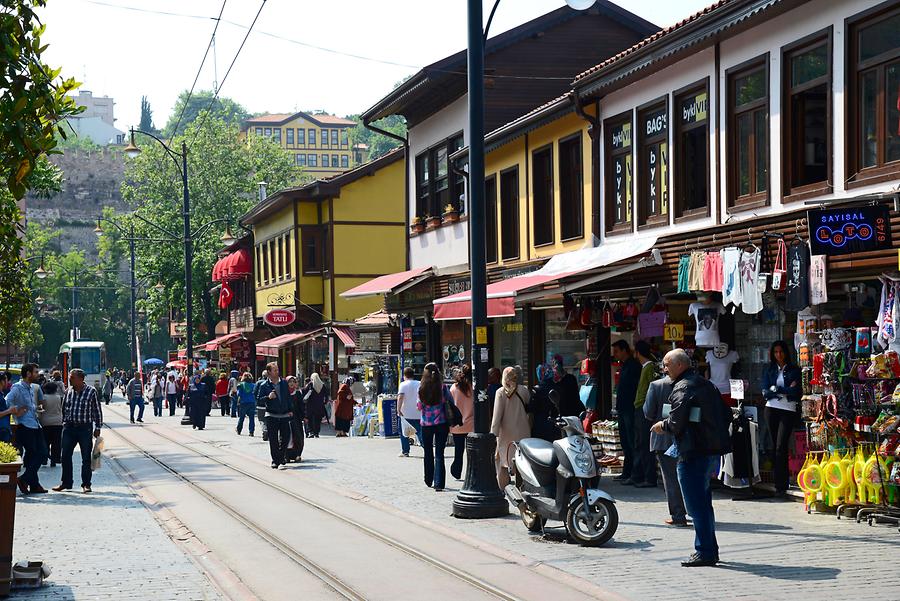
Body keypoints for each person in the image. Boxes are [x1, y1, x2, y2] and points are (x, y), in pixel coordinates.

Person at [651, 349, 731, 567]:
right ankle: (709, 549)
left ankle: (705, 551)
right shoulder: (706, 384)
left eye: (667, 365)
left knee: (695, 506)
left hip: (693, 452)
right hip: (707, 452)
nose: (664, 369)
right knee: (703, 504)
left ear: (679, 365)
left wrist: (662, 425)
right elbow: (726, 414)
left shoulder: (683, 387)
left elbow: (676, 422)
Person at [643, 374, 688, 527]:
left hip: (663, 437)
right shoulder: (691, 383)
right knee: (691, 476)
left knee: (670, 478)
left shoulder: (656, 386)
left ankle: (678, 515)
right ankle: (694, 511)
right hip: (688, 437)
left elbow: (648, 413)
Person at [52, 368, 103, 494]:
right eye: (70, 377)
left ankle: (86, 484)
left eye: (72, 377)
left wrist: (98, 427)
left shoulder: (91, 391)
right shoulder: (68, 391)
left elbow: (97, 410)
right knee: (65, 456)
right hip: (69, 428)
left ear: (81, 379)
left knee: (86, 457)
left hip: (84, 428)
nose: (69, 379)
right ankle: (66, 483)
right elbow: (64, 408)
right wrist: (64, 422)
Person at [762, 340, 802, 496]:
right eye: (776, 352)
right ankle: (777, 482)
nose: (779, 355)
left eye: (781, 351)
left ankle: (782, 484)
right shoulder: (769, 369)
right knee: (774, 446)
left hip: (787, 410)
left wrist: (776, 389)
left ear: (786, 352)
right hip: (771, 409)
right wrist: (784, 390)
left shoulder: (794, 370)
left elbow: (796, 391)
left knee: (781, 446)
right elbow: (765, 392)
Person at [8, 363, 48, 494]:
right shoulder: (17, 387)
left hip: (35, 423)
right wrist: (16, 412)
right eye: (35, 372)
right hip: (25, 426)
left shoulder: (31, 387)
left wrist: (35, 409)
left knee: (36, 454)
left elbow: (29, 405)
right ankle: (25, 480)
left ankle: (32, 483)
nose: (37, 374)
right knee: (38, 453)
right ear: (28, 373)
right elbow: (7, 401)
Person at [491, 366, 532, 488]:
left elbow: (497, 416)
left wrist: (494, 433)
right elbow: (529, 411)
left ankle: (503, 489)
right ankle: (521, 488)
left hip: (506, 434)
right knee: (521, 462)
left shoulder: (500, 392)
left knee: (502, 461)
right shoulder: (524, 390)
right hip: (523, 432)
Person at [418, 362, 451, 492]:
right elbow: (450, 402)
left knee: (427, 452)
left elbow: (419, 406)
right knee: (439, 453)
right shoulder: (442, 388)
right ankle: (439, 483)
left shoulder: (421, 388)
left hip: (426, 424)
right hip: (441, 423)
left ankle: (428, 478)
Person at [612, 340, 641, 484]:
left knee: (631, 441)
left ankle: (635, 474)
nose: (614, 354)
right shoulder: (624, 366)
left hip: (630, 408)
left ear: (624, 350)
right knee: (624, 441)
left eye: (617, 351)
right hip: (622, 408)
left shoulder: (634, 366)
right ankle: (627, 472)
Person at [631, 340, 658, 488]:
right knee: (640, 443)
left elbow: (651, 390)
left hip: (644, 408)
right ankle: (640, 476)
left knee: (645, 443)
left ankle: (649, 477)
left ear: (638, 352)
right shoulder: (645, 367)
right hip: (640, 407)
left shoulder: (649, 368)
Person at [256, 363, 292, 468]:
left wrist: (290, 409)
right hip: (271, 415)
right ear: (269, 372)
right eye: (275, 370)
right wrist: (268, 397)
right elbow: (258, 400)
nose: (277, 372)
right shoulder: (264, 385)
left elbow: (288, 397)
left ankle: (280, 456)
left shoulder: (284, 383)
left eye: (277, 370)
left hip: (284, 414)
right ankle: (275, 460)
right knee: (273, 439)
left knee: (285, 437)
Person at [449, 365, 474, 480]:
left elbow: (450, 406)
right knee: (472, 452)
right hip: (471, 425)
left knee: (458, 451)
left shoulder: (453, 388)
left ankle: (457, 471)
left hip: (457, 425)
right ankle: (472, 472)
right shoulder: (473, 388)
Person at [397, 367, 422, 457]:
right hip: (418, 412)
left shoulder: (403, 384)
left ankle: (405, 450)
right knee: (420, 431)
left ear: (404, 376)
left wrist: (398, 409)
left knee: (404, 432)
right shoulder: (419, 383)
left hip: (406, 413)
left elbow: (400, 397)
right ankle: (426, 448)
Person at [38, 380, 64, 468]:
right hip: (58, 422)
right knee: (56, 442)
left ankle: (44, 459)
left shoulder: (43, 398)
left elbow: (40, 409)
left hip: (45, 422)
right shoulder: (59, 397)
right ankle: (54, 460)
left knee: (45, 441)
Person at [285, 376, 305, 462]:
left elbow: (301, 406)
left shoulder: (297, 394)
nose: (292, 383)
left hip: (296, 419)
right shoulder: (284, 394)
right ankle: (286, 456)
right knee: (286, 437)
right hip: (285, 418)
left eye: (293, 381)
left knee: (298, 436)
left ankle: (297, 454)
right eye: (290, 382)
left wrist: (304, 416)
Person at [304, 373, 328, 438]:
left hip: (310, 406)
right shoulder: (322, 385)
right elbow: (326, 396)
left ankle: (311, 432)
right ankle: (316, 433)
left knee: (310, 419)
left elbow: (304, 393)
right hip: (319, 406)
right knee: (318, 420)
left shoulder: (310, 385)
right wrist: (324, 402)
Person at [0, 371, 15, 443]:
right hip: (2, 429)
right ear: (2, 381)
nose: (8, 382)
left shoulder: (2, 394)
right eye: (6, 380)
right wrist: (9, 410)